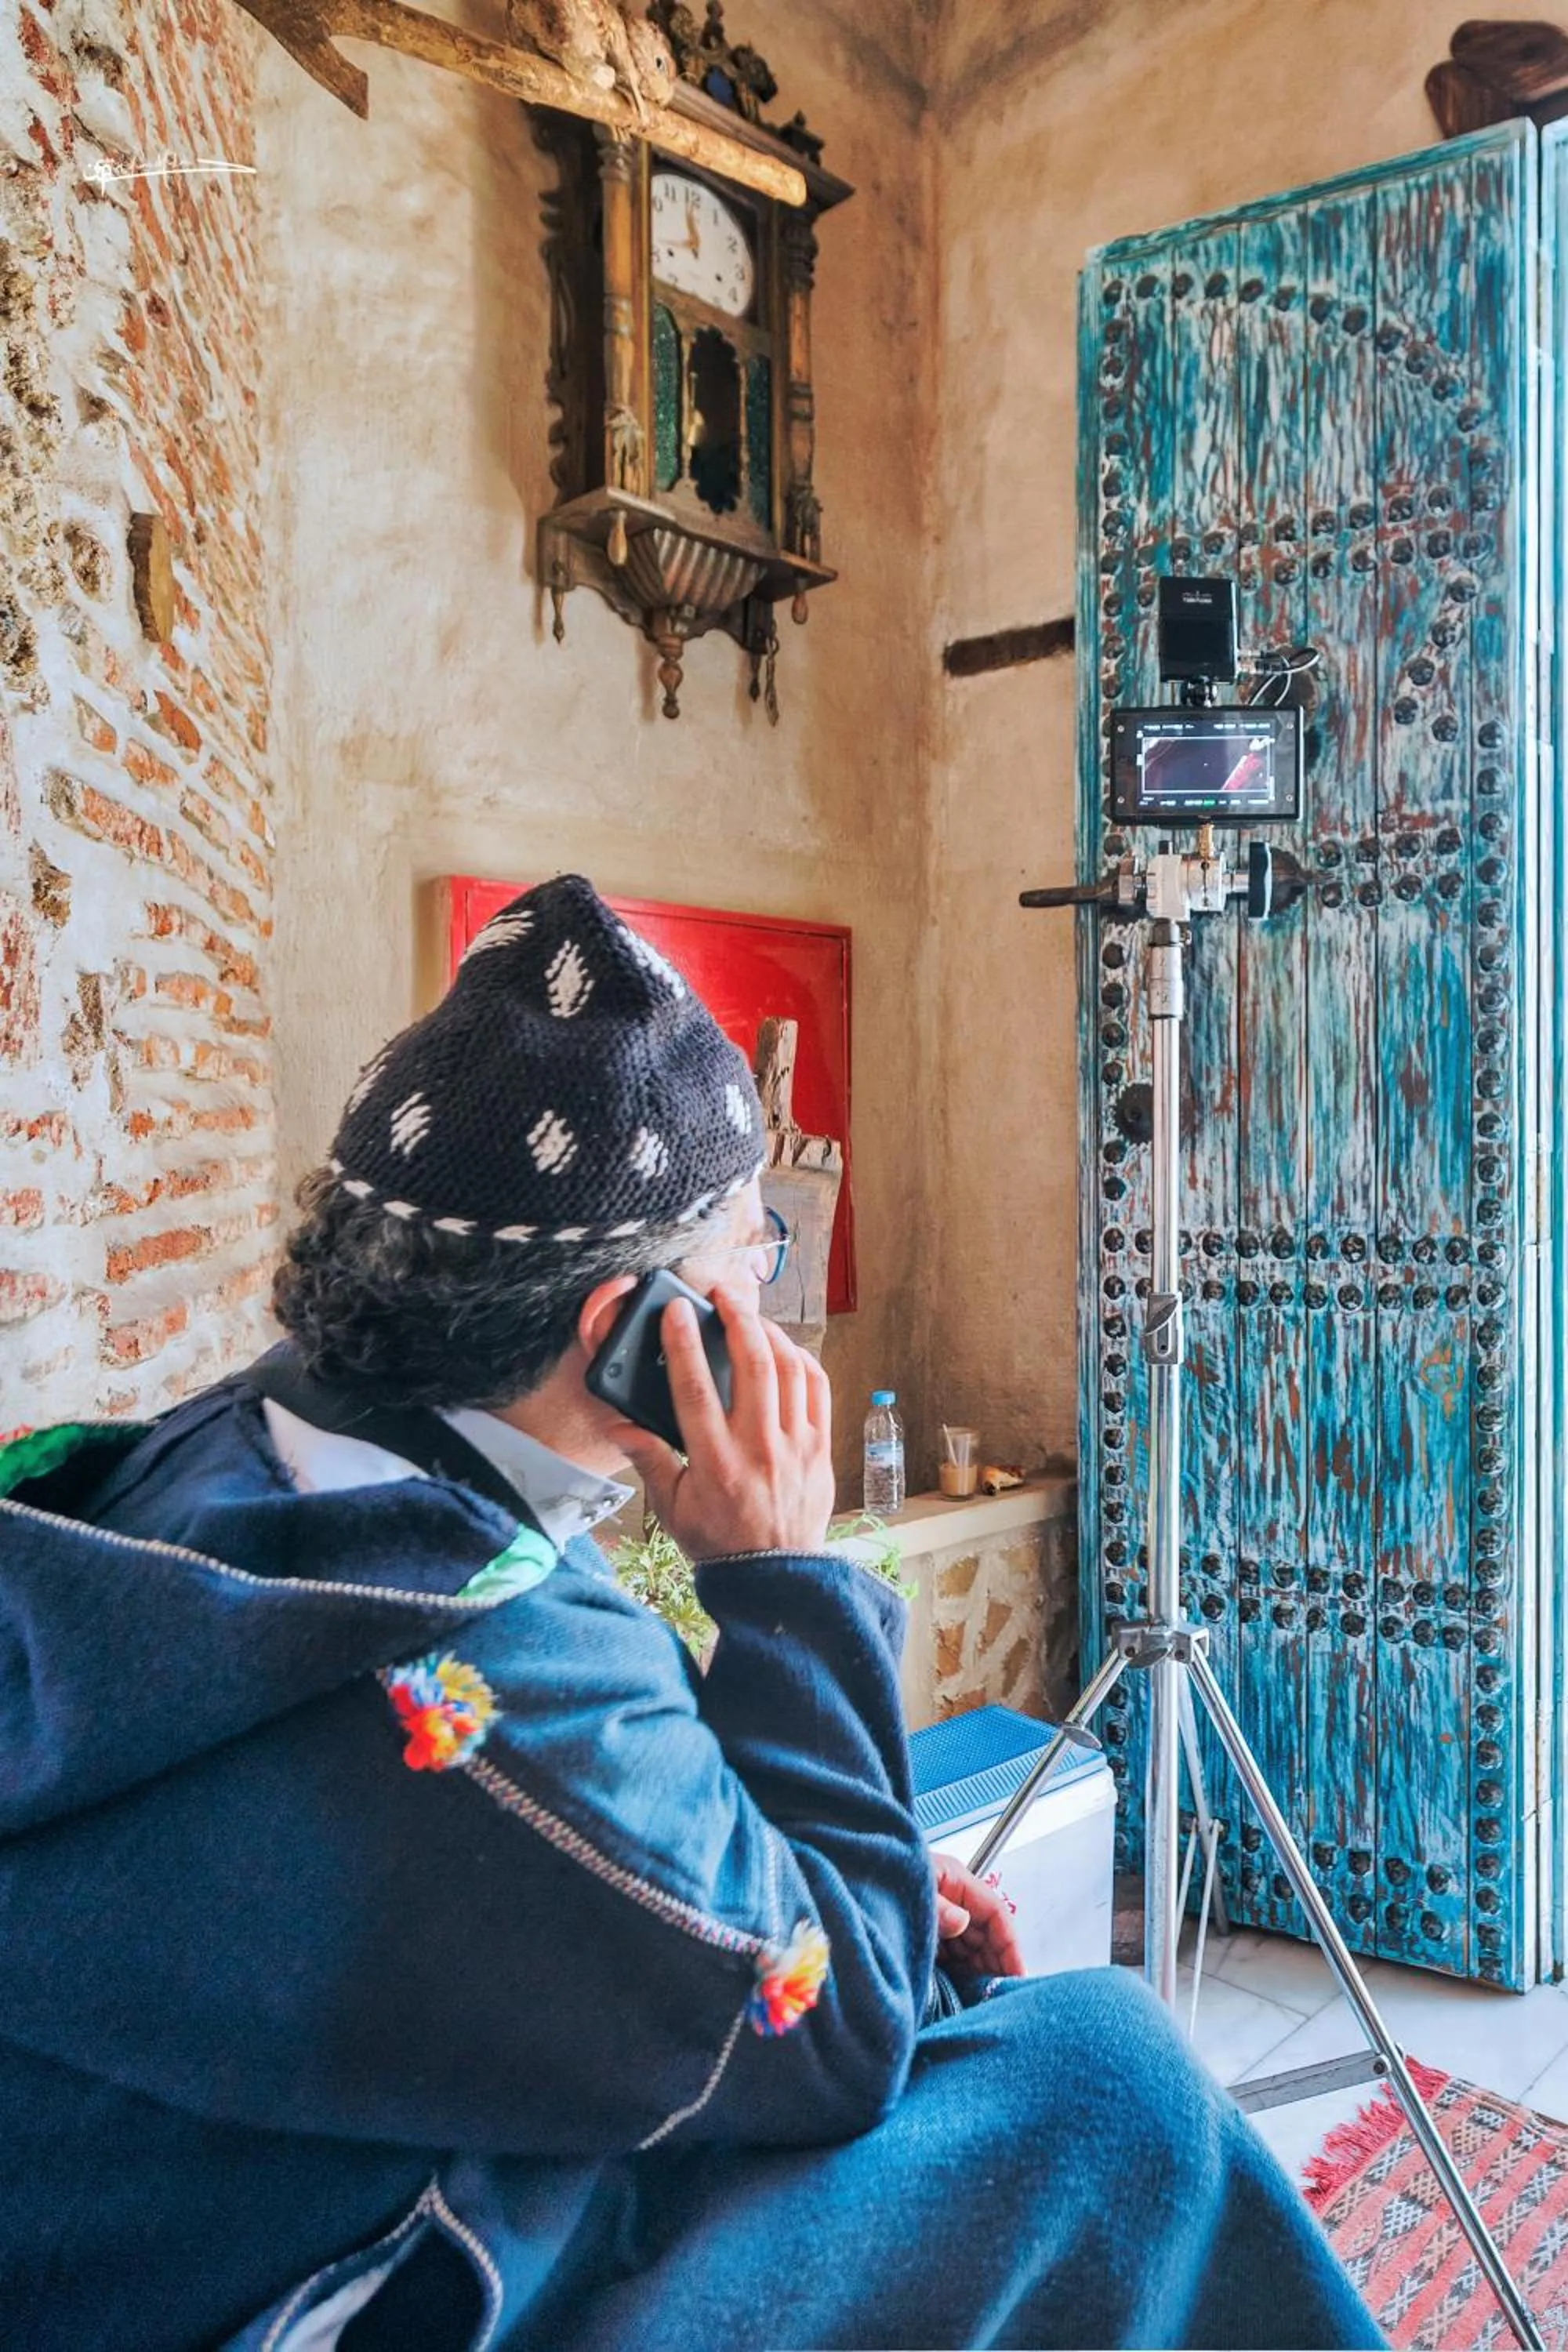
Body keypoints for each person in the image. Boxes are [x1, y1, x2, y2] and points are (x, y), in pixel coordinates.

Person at [0, 874, 1384, 2352]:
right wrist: (781, 1578)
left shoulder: (237, 1456)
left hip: (229, 2221)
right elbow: (840, 2027)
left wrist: (840, 1888)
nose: (769, 1291)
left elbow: (602, 1850)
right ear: (630, 1336)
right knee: (1111, 2083)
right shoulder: (473, 1670)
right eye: (753, 1251)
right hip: (356, 2291)